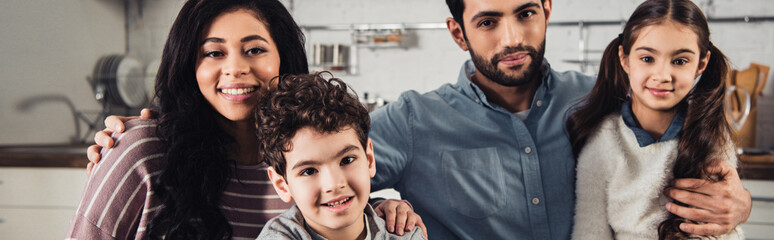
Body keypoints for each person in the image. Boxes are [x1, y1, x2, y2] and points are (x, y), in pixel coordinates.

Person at [88, 0, 752, 239]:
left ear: (548, 8)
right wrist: (386, 203)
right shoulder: (409, 121)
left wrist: (738, 198)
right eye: (488, 21)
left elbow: (681, 140)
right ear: (458, 33)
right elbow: (326, 160)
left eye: (526, 12)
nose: (512, 35)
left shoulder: (602, 96)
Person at [67, 0, 420, 239]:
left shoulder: (302, 161)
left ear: (285, 57)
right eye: (213, 53)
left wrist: (382, 213)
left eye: (254, 49)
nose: (235, 68)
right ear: (190, 66)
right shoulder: (139, 152)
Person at [567, 0, 743, 239]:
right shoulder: (603, 139)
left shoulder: (711, 135)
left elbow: (722, 228)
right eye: (647, 59)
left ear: (701, 64)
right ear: (625, 59)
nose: (662, 76)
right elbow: (589, 231)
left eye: (680, 61)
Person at [254, 73, 426, 240]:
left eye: (347, 160)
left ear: (369, 160)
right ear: (282, 185)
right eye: (309, 171)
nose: (334, 184)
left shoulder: (406, 235)